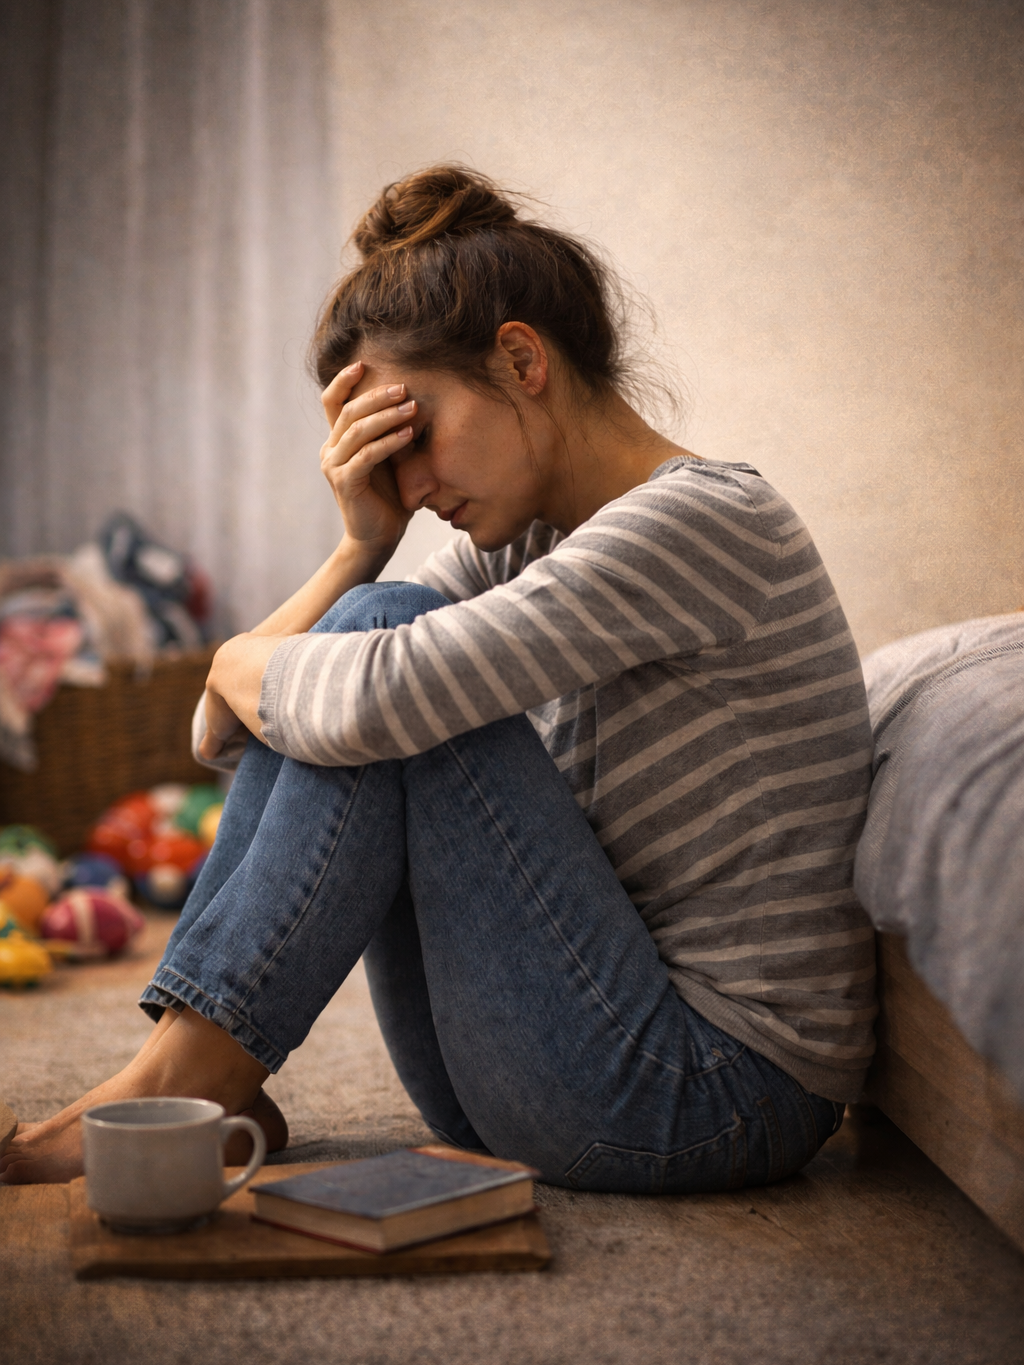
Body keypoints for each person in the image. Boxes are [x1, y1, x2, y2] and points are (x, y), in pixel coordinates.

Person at [1, 166, 876, 1190]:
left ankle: (194, 1076)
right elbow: (224, 732)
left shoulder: (705, 522)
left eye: (412, 437)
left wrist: (240, 653)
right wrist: (356, 549)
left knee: (377, 649)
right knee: (368, 632)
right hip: (535, 1065)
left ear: (521, 359)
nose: (409, 487)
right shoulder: (528, 541)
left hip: (710, 1094)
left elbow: (339, 693)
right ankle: (201, 1071)